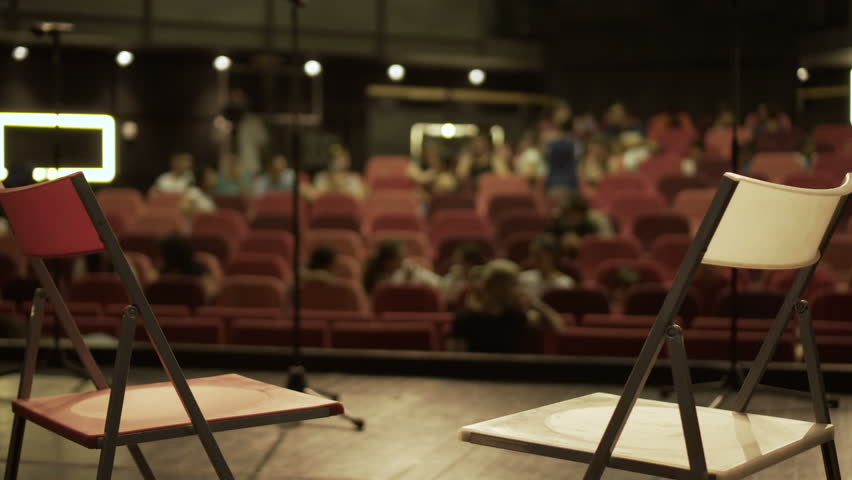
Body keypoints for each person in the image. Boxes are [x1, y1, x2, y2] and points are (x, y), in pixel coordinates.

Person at [448, 259, 564, 353]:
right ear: (496, 287)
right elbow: (456, 360)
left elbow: (556, 325)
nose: (516, 291)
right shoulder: (464, 319)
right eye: (513, 285)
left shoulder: (516, 317)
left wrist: (533, 302)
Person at [362, 239, 440, 294]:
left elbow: (436, 283)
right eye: (400, 257)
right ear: (388, 262)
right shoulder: (376, 280)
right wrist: (407, 284)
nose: (403, 260)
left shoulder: (404, 271)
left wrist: (413, 276)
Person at [519, 234, 575, 299]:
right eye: (533, 255)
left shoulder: (565, 284)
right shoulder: (523, 279)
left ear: (552, 256)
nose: (534, 260)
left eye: (539, 256)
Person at [441, 243, 486, 308]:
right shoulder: (451, 278)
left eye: (459, 260)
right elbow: (446, 300)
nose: (455, 263)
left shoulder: (484, 279)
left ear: (470, 262)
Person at [544, 120, 582, 197]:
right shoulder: (576, 144)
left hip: (553, 182)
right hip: (570, 183)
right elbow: (578, 162)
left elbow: (546, 159)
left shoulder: (550, 144)